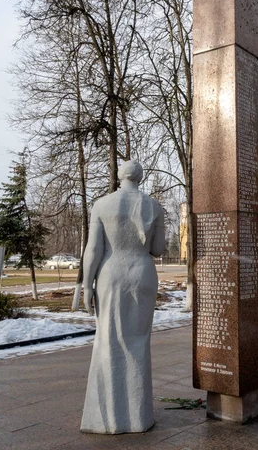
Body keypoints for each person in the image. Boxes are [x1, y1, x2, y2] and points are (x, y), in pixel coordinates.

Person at [81, 159, 166, 434]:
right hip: (142, 274)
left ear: (120, 176)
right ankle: (138, 417)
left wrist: (85, 284)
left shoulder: (102, 205)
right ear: (140, 177)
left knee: (109, 342)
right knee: (138, 343)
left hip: (111, 275)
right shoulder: (153, 206)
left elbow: (93, 250)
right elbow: (159, 249)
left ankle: (107, 418)